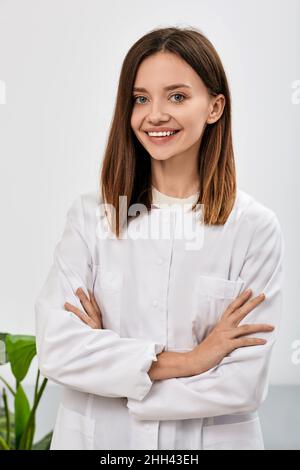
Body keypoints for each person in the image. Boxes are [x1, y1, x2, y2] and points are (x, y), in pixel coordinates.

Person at [34, 26, 284, 450]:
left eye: (177, 96)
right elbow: (58, 350)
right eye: (141, 98)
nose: (155, 115)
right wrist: (194, 360)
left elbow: (241, 385)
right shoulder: (90, 218)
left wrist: (112, 371)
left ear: (215, 107)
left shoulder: (254, 229)